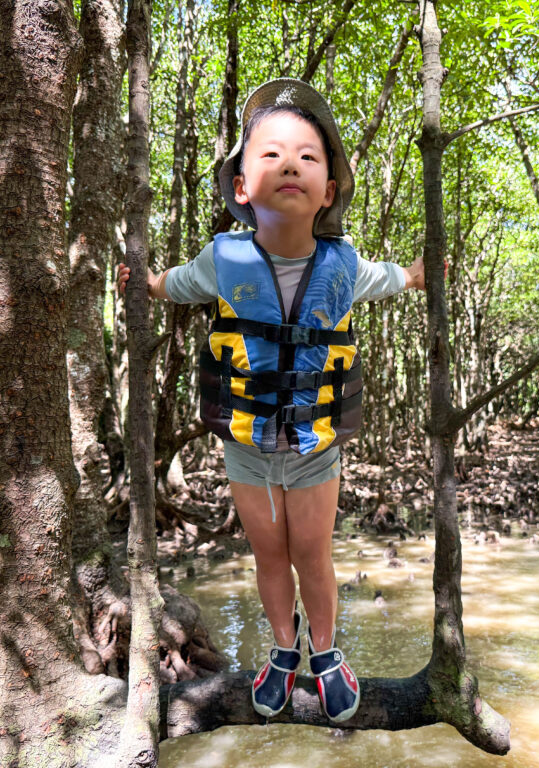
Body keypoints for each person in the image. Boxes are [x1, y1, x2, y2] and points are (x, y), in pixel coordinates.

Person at [118, 78, 425, 723]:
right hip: (247, 446)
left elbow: (389, 278)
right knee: (270, 556)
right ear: (241, 188)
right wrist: (145, 282)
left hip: (315, 447)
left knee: (312, 555)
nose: (290, 164)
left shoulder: (344, 264)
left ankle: (326, 653)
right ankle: (284, 651)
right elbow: (178, 284)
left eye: (307, 157)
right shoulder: (223, 259)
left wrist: (421, 274)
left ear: (328, 191)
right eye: (272, 155)